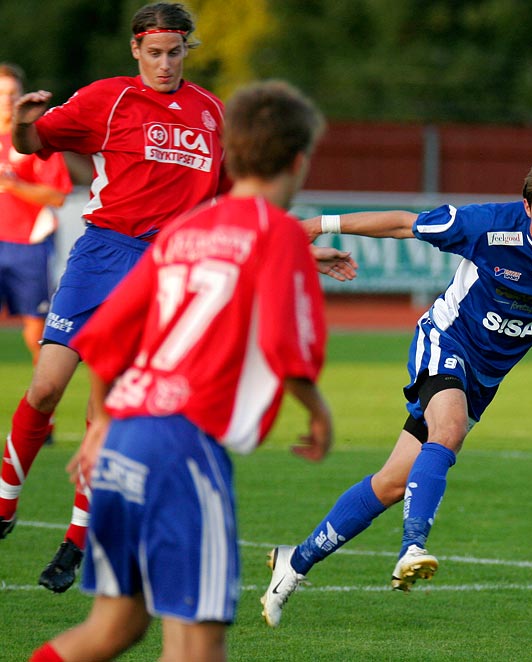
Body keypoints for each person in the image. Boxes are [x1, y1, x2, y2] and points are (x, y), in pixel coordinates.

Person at [259, 158, 532, 628]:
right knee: (449, 429)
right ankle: (411, 547)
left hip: (484, 379)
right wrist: (318, 223)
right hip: (445, 340)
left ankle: (293, 562)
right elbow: (403, 224)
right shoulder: (486, 225)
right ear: (527, 206)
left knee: (393, 482)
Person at [28, 79, 332, 662]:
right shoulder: (279, 233)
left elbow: (110, 337)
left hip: (121, 441)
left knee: (112, 629)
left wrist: (98, 428)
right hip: (182, 449)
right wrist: (317, 414)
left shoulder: (182, 232)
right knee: (198, 645)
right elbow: (287, 348)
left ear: (229, 155)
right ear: (298, 161)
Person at [0, 2, 230, 595]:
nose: (164, 63)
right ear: (136, 49)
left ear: (187, 50)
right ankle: (5, 501)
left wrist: (304, 248)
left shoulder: (212, 115)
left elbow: (235, 205)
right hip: (101, 256)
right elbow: (34, 144)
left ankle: (75, 542)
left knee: (105, 412)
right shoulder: (108, 98)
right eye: (153, 53)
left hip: (163, 273)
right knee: (46, 385)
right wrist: (25, 123)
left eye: (174, 52)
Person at [0, 63, 72, 364]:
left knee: (34, 327)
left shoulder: (34, 139)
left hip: (27, 245)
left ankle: (43, 402)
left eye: (12, 93)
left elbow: (57, 196)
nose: (6, 99)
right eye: (1, 93)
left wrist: (12, 185)